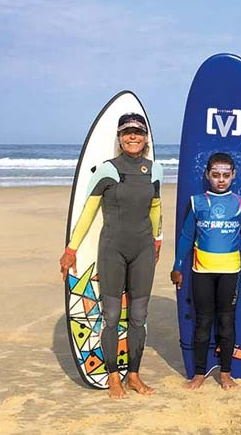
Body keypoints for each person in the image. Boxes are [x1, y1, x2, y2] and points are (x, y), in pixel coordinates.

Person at [59, 112, 163, 399]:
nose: (133, 137)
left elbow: (155, 208)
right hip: (113, 250)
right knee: (112, 315)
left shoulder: (155, 170)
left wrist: (157, 240)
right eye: (127, 132)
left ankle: (134, 376)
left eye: (138, 132)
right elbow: (89, 212)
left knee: (139, 317)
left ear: (145, 138)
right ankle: (113, 377)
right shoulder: (107, 170)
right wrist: (71, 249)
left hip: (142, 250)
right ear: (119, 138)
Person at [170, 152, 241, 390]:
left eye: (226, 175)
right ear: (207, 175)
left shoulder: (239, 202)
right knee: (203, 323)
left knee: (226, 322)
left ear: (233, 175)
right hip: (201, 272)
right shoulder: (197, 202)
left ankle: (226, 374)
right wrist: (177, 266)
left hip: (229, 272)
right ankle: (198, 374)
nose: (221, 180)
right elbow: (186, 237)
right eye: (216, 175)